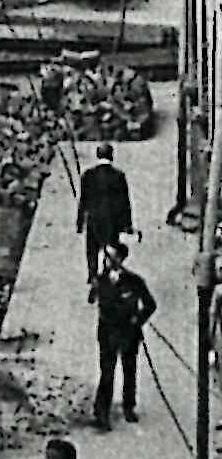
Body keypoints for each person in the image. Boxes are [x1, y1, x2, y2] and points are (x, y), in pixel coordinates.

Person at [89, 241, 155, 430]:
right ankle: (102, 412)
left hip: (128, 334)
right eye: (106, 256)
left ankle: (129, 406)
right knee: (107, 373)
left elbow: (150, 304)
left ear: (120, 259)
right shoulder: (100, 281)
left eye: (111, 257)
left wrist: (138, 320)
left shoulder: (134, 282)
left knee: (129, 370)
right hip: (108, 334)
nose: (107, 260)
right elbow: (95, 301)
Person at [78, 144, 135, 296]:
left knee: (92, 250)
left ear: (97, 156)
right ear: (112, 156)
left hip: (93, 220)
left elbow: (83, 201)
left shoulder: (88, 175)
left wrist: (79, 222)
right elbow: (125, 202)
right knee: (110, 250)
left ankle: (93, 275)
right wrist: (127, 225)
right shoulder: (119, 176)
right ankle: (105, 275)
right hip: (112, 222)